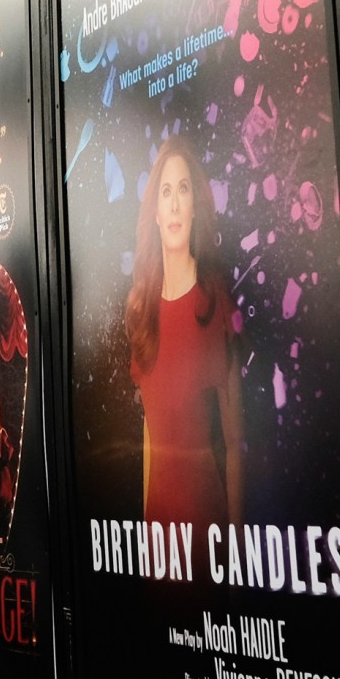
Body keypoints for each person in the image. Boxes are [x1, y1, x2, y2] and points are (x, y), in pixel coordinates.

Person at [124, 135, 244, 528]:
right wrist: (146, 540)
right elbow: (148, 439)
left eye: (183, 189)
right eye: (165, 192)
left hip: (209, 544)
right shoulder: (142, 311)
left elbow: (236, 448)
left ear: (194, 206)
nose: (174, 203)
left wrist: (238, 575)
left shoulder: (217, 304)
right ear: (155, 212)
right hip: (158, 552)